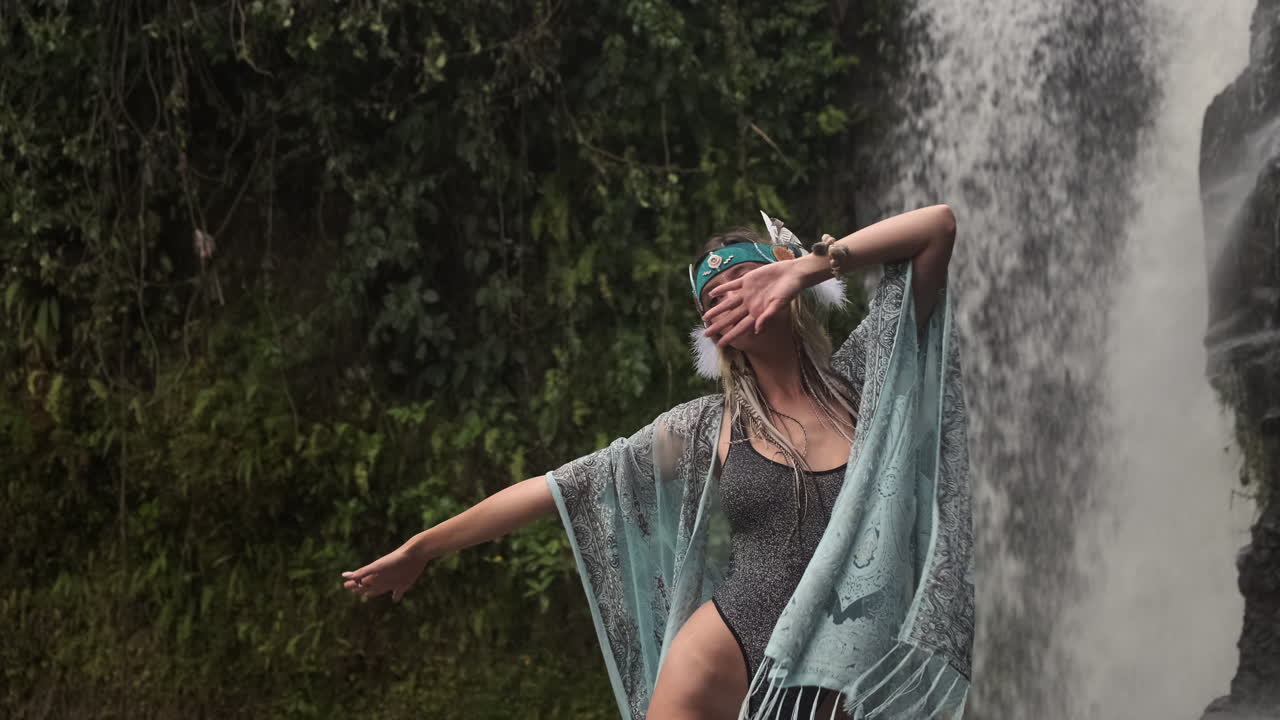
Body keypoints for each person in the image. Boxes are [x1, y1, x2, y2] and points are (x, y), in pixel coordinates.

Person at [341, 205, 973, 720]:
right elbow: (558, 490)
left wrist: (808, 267)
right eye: (713, 300)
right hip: (721, 655)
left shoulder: (865, 381)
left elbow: (938, 227)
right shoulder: (704, 428)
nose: (729, 299)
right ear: (712, 333)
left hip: (842, 665)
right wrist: (424, 548)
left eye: (743, 282)